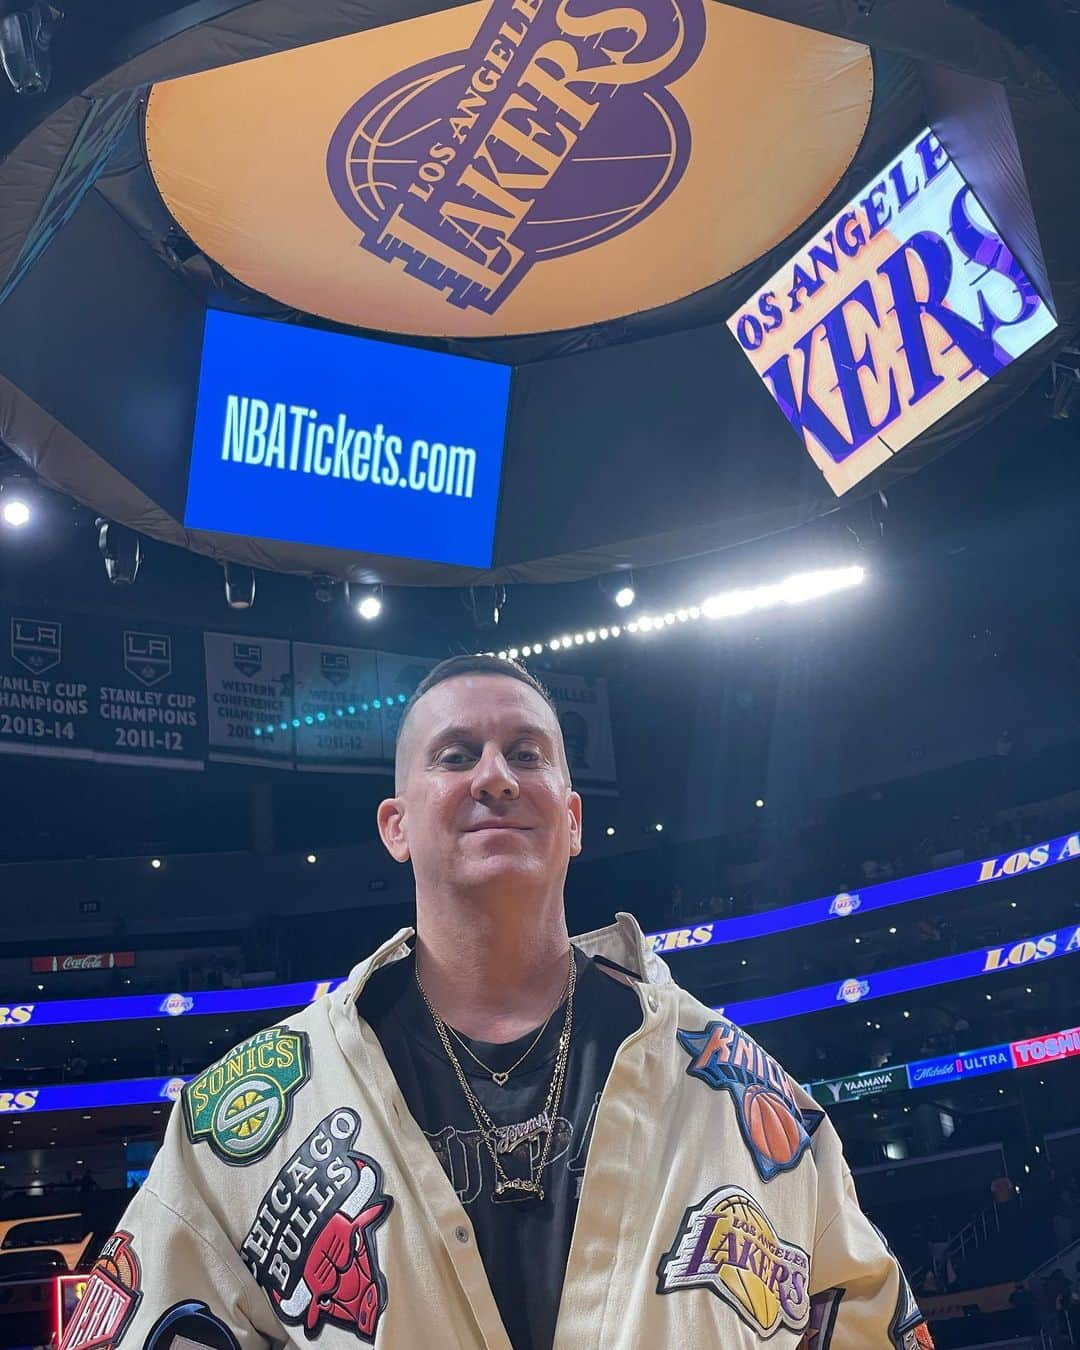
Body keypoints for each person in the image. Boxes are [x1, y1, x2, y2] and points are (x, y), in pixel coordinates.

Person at [60, 656, 934, 1350]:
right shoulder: (243, 1116)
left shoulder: (748, 1096)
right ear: (396, 825)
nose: (496, 777)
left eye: (527, 753)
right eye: (455, 755)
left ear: (574, 815)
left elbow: (865, 1318)